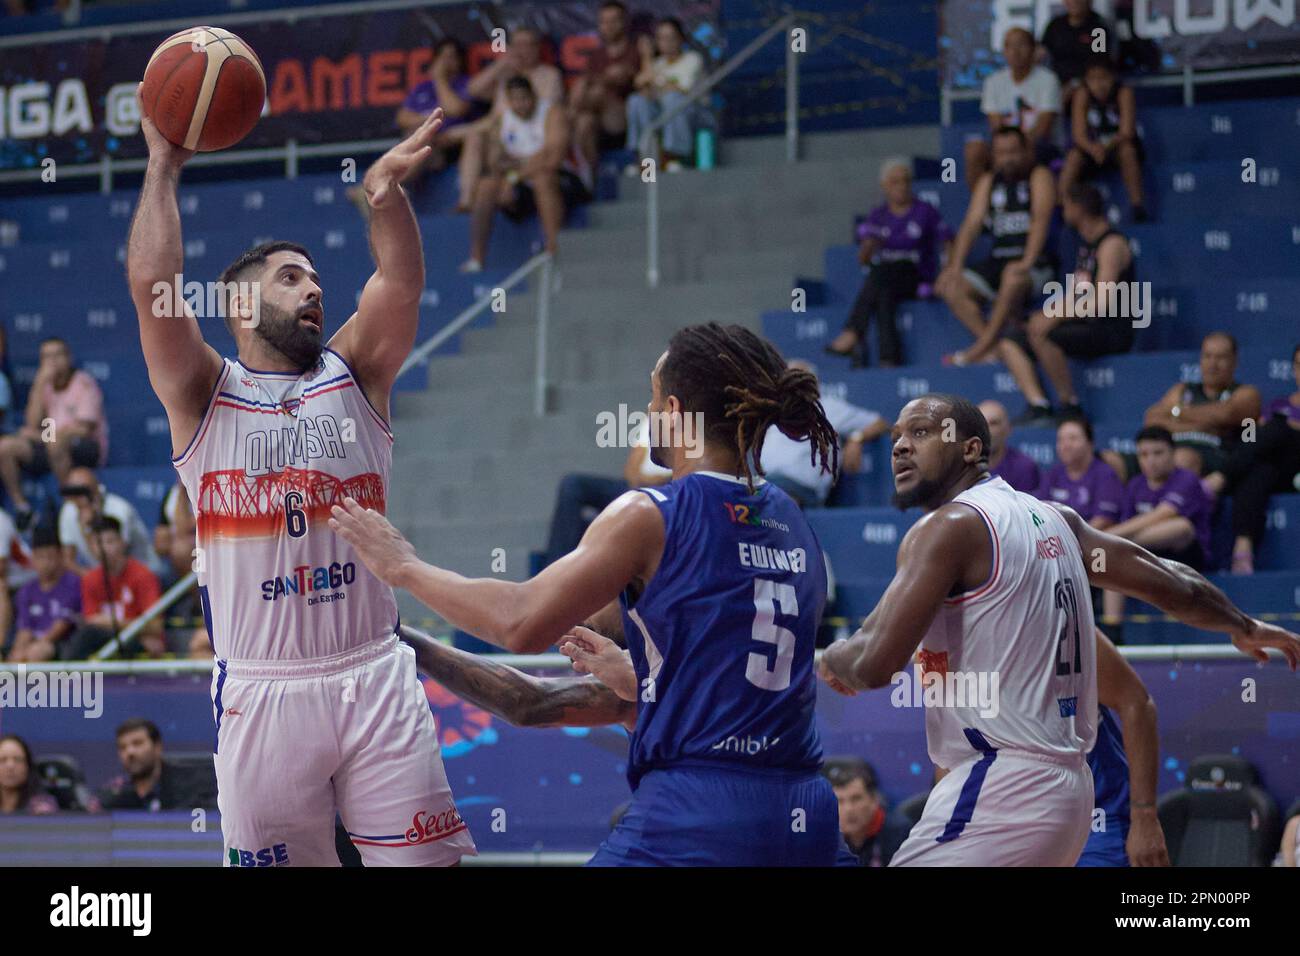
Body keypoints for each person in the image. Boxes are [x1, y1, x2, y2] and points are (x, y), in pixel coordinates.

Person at [329, 323, 852, 866]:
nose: (646, 415)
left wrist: (403, 567)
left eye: (650, 398)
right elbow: (541, 694)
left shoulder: (652, 514)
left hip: (699, 814)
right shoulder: (797, 524)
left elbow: (520, 621)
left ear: (673, 409)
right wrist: (398, 636)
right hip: (805, 814)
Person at [126, 95, 476, 866]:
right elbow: (153, 286)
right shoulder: (201, 395)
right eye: (291, 279)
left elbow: (400, 284)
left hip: (374, 673)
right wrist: (163, 163)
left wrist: (384, 201)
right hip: (263, 690)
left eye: (316, 278)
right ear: (243, 304)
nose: (314, 289)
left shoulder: (356, 373)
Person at [817, 393, 1300, 865]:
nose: (900, 445)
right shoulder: (1054, 519)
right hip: (1067, 792)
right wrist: (1243, 624)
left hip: (1004, 785)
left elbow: (874, 666)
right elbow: (1169, 582)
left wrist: (822, 658)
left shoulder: (949, 528)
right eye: (898, 435)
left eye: (920, 432)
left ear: (970, 449)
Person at [999, 183, 1137, 425]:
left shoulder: (1111, 245)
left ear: (1078, 208)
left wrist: (1054, 318)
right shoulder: (1086, 246)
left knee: (1045, 333)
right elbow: (1076, 294)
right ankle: (1039, 405)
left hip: (1110, 329)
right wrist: (1044, 314)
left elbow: (1101, 303)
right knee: (1011, 339)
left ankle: (1069, 405)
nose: (1062, 209)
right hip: (1085, 324)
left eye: (1066, 204)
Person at [936, 126, 1056, 367]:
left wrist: (1027, 261)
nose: (1008, 158)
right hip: (997, 262)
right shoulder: (989, 180)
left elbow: (1041, 218)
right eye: (1001, 153)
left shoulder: (1039, 175)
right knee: (947, 285)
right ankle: (994, 347)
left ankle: (979, 349)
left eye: (1013, 151)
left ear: (1025, 151)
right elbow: (971, 224)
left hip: (1035, 264)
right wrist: (955, 266)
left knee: (1012, 276)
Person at [825, 159, 953, 367]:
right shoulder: (878, 215)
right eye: (895, 181)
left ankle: (853, 331)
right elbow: (863, 259)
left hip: (916, 276)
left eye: (906, 180)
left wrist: (947, 273)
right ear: (884, 186)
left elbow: (948, 242)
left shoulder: (925, 211)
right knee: (883, 292)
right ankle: (889, 359)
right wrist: (869, 244)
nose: (901, 186)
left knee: (881, 274)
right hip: (888, 280)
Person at [461, 76, 589, 273]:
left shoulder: (552, 112)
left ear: (534, 96)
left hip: (565, 180)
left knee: (543, 178)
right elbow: (496, 163)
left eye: (524, 99)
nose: (520, 105)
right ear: (509, 101)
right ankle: (476, 258)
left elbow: (553, 159)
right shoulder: (503, 120)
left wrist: (515, 175)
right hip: (522, 182)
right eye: (515, 100)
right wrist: (505, 166)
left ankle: (554, 249)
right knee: (486, 185)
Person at [1100, 426, 1214, 638]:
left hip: (1186, 555)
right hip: (1149, 556)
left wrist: (1111, 535)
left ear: (1173, 454)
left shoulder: (1186, 479)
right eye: (1144, 454)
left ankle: (1112, 540)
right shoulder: (1135, 485)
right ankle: (1112, 630)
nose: (1151, 460)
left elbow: (1164, 514)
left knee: (1181, 526)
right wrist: (1114, 539)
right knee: (1112, 556)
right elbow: (1130, 524)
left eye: (1158, 453)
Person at [356, 38, 487, 213]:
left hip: (455, 145)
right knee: (417, 137)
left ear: (460, 61)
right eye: (443, 57)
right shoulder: (423, 88)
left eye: (452, 57)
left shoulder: (465, 83)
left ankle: (383, 188)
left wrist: (440, 79)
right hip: (431, 144)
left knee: (449, 139)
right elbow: (402, 117)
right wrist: (428, 121)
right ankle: (383, 186)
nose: (447, 62)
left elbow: (455, 109)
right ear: (435, 60)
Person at [1204, 344, 1300, 574]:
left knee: (1278, 429)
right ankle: (1243, 548)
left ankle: (1219, 477)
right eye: (1299, 365)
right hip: (1281, 469)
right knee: (1259, 462)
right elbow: (1256, 438)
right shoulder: (1279, 405)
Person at [1080, 630, 1170, 867]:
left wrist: (1144, 817)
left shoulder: (1060, 622)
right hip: (1019, 817)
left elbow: (1137, 704)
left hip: (1097, 818)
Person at [0, 336, 108, 528]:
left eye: (58, 355)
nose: (53, 361)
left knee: (55, 441)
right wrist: (39, 384)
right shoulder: (45, 386)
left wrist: (44, 436)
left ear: (69, 357)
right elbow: (32, 423)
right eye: (47, 357)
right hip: (51, 444)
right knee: (6, 447)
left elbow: (84, 428)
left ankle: (69, 503)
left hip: (85, 446)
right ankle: (22, 507)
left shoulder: (83, 383)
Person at [460, 26, 566, 209]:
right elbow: (472, 91)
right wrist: (502, 63)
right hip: (499, 136)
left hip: (534, 140)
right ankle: (467, 200)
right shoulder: (504, 75)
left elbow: (536, 112)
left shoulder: (549, 74)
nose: (523, 50)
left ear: (537, 47)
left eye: (528, 45)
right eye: (518, 45)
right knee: (473, 138)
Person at [543, 424, 671, 568]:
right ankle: (556, 567)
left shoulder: (690, 424)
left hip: (666, 492)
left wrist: (656, 480)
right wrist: (649, 479)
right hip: (633, 488)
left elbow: (682, 474)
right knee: (572, 484)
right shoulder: (651, 420)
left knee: (593, 526)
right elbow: (631, 471)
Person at [761, 363, 887, 507]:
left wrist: (856, 438)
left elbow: (880, 423)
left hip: (799, 487)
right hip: (763, 482)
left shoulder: (828, 407)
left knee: (771, 504)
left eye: (798, 376)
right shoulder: (773, 409)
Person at [1140, 332, 1261, 478]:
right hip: (1171, 451)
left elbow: (1226, 414)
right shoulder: (1182, 389)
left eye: (1220, 358)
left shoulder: (1246, 393)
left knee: (1181, 458)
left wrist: (1176, 414)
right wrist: (1201, 424)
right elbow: (1151, 420)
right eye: (1207, 356)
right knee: (1111, 460)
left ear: (1234, 361)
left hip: (1215, 456)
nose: (1212, 364)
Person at [964, 28, 1061, 187]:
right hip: (1005, 144)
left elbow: (1044, 126)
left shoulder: (1048, 80)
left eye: (1021, 45)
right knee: (974, 150)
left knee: (1019, 151)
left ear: (1033, 49)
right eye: (1009, 46)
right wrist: (1007, 149)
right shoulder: (993, 81)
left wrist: (1017, 147)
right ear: (1004, 51)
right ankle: (982, 204)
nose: (1015, 51)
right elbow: (996, 126)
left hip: (1039, 145)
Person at [1059, 57, 1146, 222]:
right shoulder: (1082, 94)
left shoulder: (1123, 92)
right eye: (1093, 79)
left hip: (1116, 145)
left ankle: (1137, 205)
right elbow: (1078, 134)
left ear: (1113, 77)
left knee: (1128, 151)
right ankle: (1061, 206)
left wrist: (1105, 146)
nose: (1099, 84)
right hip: (1091, 148)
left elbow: (1126, 131)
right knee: (1073, 158)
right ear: (1086, 80)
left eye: (1104, 78)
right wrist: (1093, 148)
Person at [624, 17, 705, 173]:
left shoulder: (692, 59)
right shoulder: (657, 64)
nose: (666, 43)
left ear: (681, 39)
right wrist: (647, 57)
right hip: (662, 115)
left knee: (673, 98)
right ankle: (646, 160)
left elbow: (679, 90)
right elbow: (641, 86)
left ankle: (674, 157)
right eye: (661, 38)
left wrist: (654, 83)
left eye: (671, 38)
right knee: (637, 101)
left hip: (693, 114)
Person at [78, 515, 164, 659]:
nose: (103, 549)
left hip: (134, 640)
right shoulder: (90, 579)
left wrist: (109, 622)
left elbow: (155, 626)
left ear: (122, 542)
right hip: (106, 640)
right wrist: (124, 624)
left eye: (109, 541)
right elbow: (91, 622)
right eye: (97, 543)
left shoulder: (143, 575)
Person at [571, 1, 643, 176]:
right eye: (604, 21)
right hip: (600, 121)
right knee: (584, 122)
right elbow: (587, 85)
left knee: (595, 92)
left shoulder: (636, 50)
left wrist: (598, 80)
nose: (608, 26)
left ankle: (568, 118)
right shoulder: (596, 56)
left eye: (613, 21)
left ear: (624, 22)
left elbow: (621, 77)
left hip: (625, 119)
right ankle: (593, 177)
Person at [97, 718, 218, 812]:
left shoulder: (189, 791)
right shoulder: (116, 798)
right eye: (123, 747)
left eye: (137, 743)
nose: (130, 752)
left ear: (157, 747)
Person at [57, 465, 157, 575]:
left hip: (144, 571)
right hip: (103, 576)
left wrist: (87, 527)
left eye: (81, 491)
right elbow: (68, 559)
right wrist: (90, 579)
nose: (78, 498)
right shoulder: (68, 511)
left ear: (96, 490)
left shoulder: (119, 511)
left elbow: (113, 559)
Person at [5, 526, 80, 663]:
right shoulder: (26, 590)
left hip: (62, 644)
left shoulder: (72, 583)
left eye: (50, 556)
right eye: (40, 557)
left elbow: (62, 626)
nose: (46, 563)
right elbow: (24, 629)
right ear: (32, 557)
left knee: (39, 651)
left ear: (60, 555)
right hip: (33, 644)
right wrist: (18, 651)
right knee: (15, 655)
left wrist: (33, 647)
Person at [1036, 416, 1124, 530]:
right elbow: (1040, 513)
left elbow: (1104, 520)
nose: (1065, 445)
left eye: (1073, 439)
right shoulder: (1053, 474)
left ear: (1090, 443)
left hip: (1093, 544)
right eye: (1061, 440)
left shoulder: (1105, 475)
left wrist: (1070, 541)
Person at [821, 757, 911, 867]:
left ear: (874, 799)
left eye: (856, 798)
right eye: (839, 801)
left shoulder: (902, 836)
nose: (849, 809)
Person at [1039, 0, 1114, 117]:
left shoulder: (1098, 27)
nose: (1074, 2)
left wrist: (1074, 84)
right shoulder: (1055, 25)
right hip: (1056, 83)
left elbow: (1099, 65)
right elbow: (1041, 53)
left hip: (1086, 83)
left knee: (1080, 94)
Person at [979, 399, 1040, 493]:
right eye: (982, 423)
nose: (987, 430)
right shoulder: (961, 467)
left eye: (994, 423)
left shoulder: (1023, 467)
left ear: (1008, 429)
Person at [0, 734, 58, 815]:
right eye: (2, 760)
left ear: (27, 766)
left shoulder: (43, 804)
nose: (10, 766)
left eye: (17, 759)